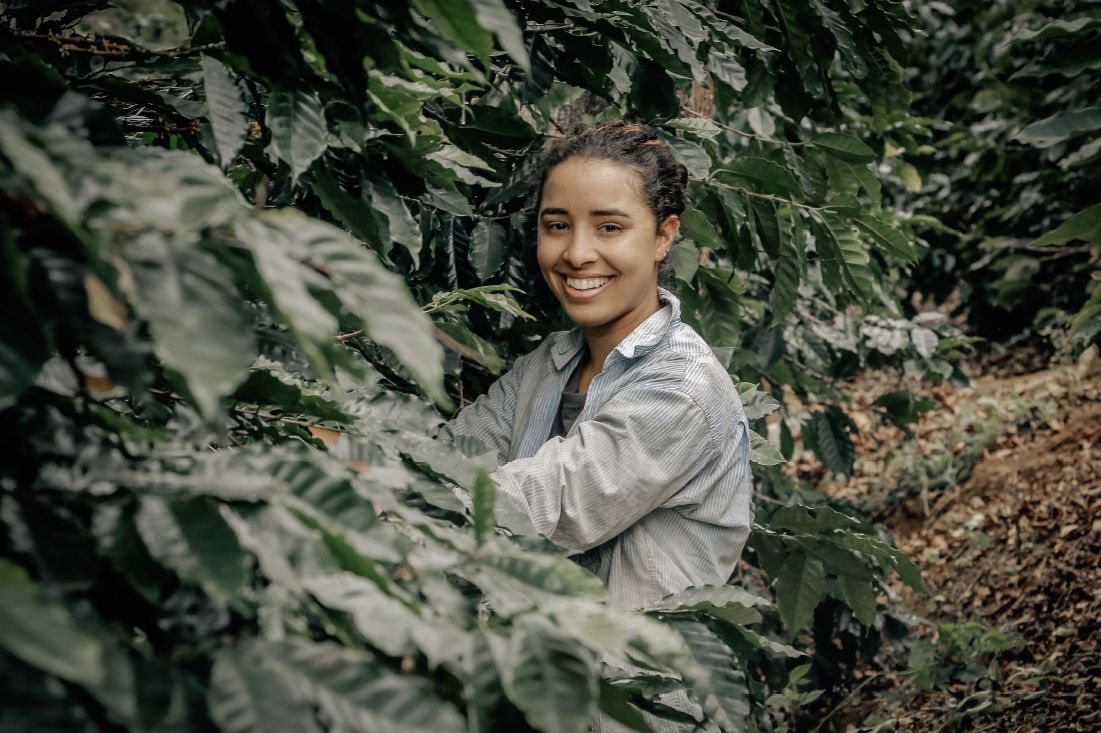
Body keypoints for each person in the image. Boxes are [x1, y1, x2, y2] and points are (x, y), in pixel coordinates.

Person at [438, 121, 753, 730]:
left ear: (663, 237)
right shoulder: (547, 365)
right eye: (557, 225)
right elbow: (448, 456)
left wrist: (359, 495)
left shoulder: (681, 392)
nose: (577, 253)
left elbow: (541, 506)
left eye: (609, 227)